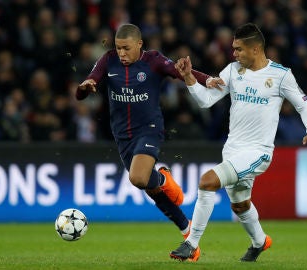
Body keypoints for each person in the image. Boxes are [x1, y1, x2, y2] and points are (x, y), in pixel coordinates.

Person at [170, 23, 307, 262]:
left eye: (239, 49)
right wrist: (189, 77)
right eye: (233, 49)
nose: (234, 54)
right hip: (232, 149)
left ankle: (191, 243)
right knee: (240, 205)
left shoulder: (281, 75)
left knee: (207, 181)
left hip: (258, 152)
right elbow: (206, 101)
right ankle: (260, 242)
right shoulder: (232, 71)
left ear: (255, 49)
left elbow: (303, 103)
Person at [76, 23, 211, 261]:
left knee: (138, 177)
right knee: (148, 186)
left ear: (139, 44)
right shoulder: (108, 60)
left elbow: (181, 72)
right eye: (118, 48)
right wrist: (85, 88)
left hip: (149, 130)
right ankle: (186, 230)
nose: (122, 53)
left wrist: (208, 80)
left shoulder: (154, 61)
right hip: (122, 136)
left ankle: (162, 179)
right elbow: (88, 83)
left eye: (126, 48)